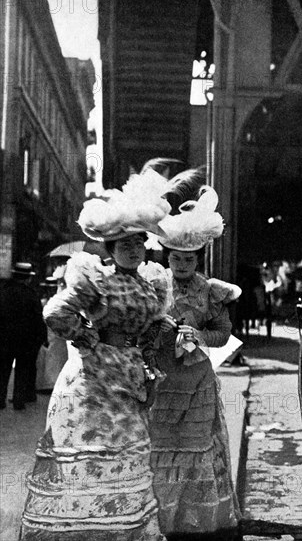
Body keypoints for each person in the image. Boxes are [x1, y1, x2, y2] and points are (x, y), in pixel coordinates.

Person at [19, 170, 171, 541]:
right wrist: (86, 337)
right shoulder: (95, 279)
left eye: (137, 243)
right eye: (124, 245)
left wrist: (154, 342)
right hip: (93, 381)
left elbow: (154, 325)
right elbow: (55, 313)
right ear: (109, 249)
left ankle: (123, 529)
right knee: (93, 452)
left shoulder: (150, 281)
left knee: (127, 452)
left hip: (131, 378)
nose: (133, 250)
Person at [149, 186, 242, 540]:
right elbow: (143, 324)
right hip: (162, 379)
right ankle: (163, 517)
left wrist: (201, 337)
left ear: (198, 260)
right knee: (162, 444)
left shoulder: (210, 290)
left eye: (189, 260)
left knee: (195, 444)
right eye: (176, 259)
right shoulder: (156, 285)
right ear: (167, 258)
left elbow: (224, 331)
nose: (182, 265)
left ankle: (195, 518)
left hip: (198, 380)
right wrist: (159, 331)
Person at [0, 262, 47, 410]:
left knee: (3, 369)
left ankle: (0, 400)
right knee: (22, 370)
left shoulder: (3, 292)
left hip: (4, 339)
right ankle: (19, 400)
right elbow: (38, 318)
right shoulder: (31, 295)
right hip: (26, 341)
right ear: (28, 278)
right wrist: (42, 337)